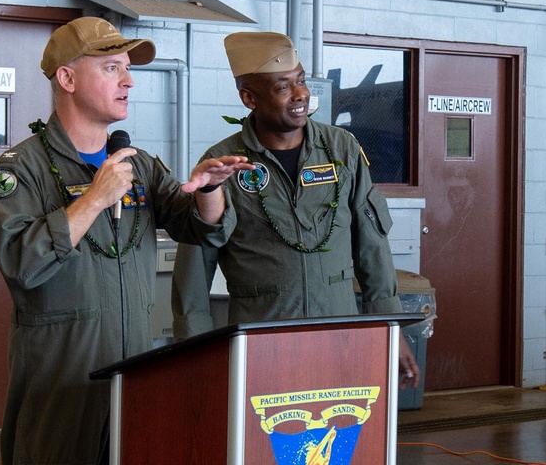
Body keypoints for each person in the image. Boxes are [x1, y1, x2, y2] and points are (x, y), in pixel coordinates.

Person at [0, 16, 252, 465]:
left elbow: (195, 224)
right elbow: (22, 262)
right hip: (60, 397)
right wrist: (93, 198)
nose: (129, 79)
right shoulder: (18, 171)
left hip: (131, 398)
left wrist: (208, 190)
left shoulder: (136, 164)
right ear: (68, 78)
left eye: (130, 67)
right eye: (113, 67)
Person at [170, 31, 420, 386]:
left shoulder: (341, 149)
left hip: (340, 340)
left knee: (342, 436)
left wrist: (390, 329)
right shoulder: (222, 164)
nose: (301, 94)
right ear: (249, 97)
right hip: (261, 349)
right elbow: (195, 266)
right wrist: (191, 350)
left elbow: (372, 247)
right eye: (283, 86)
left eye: (301, 81)